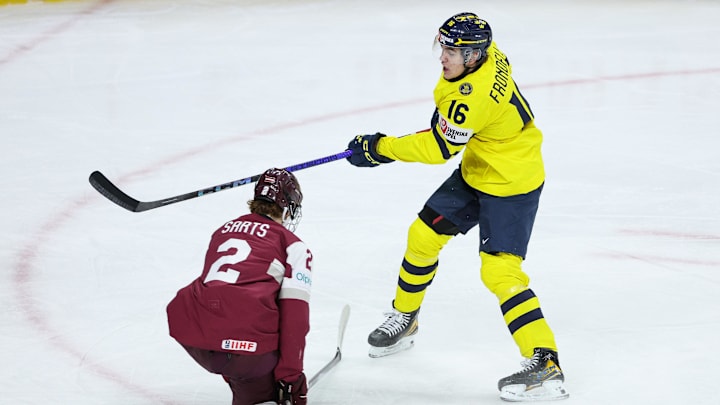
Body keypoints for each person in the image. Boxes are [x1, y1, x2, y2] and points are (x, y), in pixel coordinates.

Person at [345, 12, 568, 402]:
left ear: (473, 56)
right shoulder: (489, 54)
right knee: (422, 236)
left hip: (511, 184)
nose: (442, 57)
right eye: (443, 47)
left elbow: (437, 148)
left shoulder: (472, 98)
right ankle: (406, 317)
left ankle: (545, 361)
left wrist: (380, 149)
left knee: (500, 272)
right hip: (481, 168)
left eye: (451, 50)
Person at [166, 168, 311, 405]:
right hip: (247, 351)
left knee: (223, 297)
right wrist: (291, 377)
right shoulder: (293, 246)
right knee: (258, 377)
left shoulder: (223, 230)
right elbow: (295, 318)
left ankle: (243, 382)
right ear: (288, 206)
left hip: (195, 337)